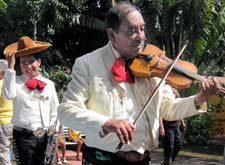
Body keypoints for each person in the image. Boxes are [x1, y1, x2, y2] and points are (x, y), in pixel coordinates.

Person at [58, 2, 218, 165]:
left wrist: (199, 98)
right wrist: (107, 123)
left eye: (142, 29)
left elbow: (169, 109)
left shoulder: (154, 64)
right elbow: (66, 111)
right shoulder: (88, 64)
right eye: (132, 31)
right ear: (112, 35)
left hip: (144, 159)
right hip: (103, 159)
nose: (142, 37)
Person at [2, 36, 59, 165]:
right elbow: (8, 95)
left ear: (38, 62)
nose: (27, 66)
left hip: (46, 136)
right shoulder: (15, 82)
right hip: (23, 137)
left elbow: (55, 109)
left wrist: (53, 132)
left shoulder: (49, 84)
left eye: (31, 61)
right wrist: (10, 68)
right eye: (23, 63)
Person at [159, 88, 187, 165]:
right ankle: (167, 161)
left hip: (176, 125)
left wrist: (183, 122)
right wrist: (161, 127)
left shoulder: (177, 102)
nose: (173, 94)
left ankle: (171, 159)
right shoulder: (164, 102)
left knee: (178, 144)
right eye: (172, 93)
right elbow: (160, 115)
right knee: (169, 145)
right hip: (167, 125)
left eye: (174, 93)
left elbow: (179, 113)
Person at [0, 59, 13, 165]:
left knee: (3, 152)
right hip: (12, 122)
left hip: (2, 122)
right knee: (9, 149)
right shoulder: (12, 84)